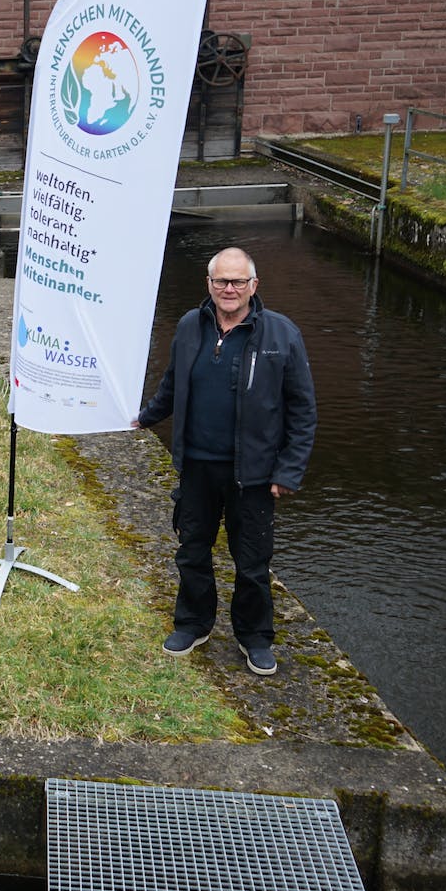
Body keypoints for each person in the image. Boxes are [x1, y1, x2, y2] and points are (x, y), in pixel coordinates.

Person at [133, 247, 315, 676]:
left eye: (237, 282)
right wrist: (143, 417)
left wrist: (288, 470)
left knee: (251, 561)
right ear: (209, 285)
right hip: (197, 467)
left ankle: (254, 637)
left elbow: (303, 410)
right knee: (192, 550)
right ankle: (194, 623)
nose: (228, 289)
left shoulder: (281, 335)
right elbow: (172, 387)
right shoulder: (189, 327)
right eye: (220, 281)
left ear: (254, 285)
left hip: (251, 475)